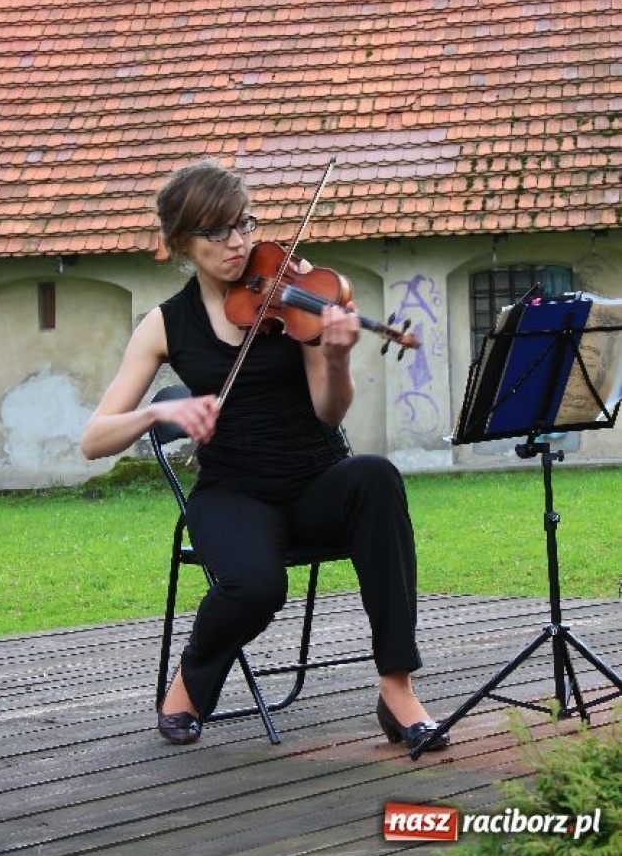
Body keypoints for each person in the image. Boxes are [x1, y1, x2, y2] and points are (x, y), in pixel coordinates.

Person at [80, 159, 449, 753]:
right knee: (255, 586)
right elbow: (94, 439)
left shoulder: (293, 293)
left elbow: (330, 412)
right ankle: (190, 682)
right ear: (179, 242)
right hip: (234, 495)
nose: (236, 243)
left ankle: (397, 689)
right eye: (215, 232)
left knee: (376, 477)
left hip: (315, 482)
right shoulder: (164, 325)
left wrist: (334, 358)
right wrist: (159, 412)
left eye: (243, 225)